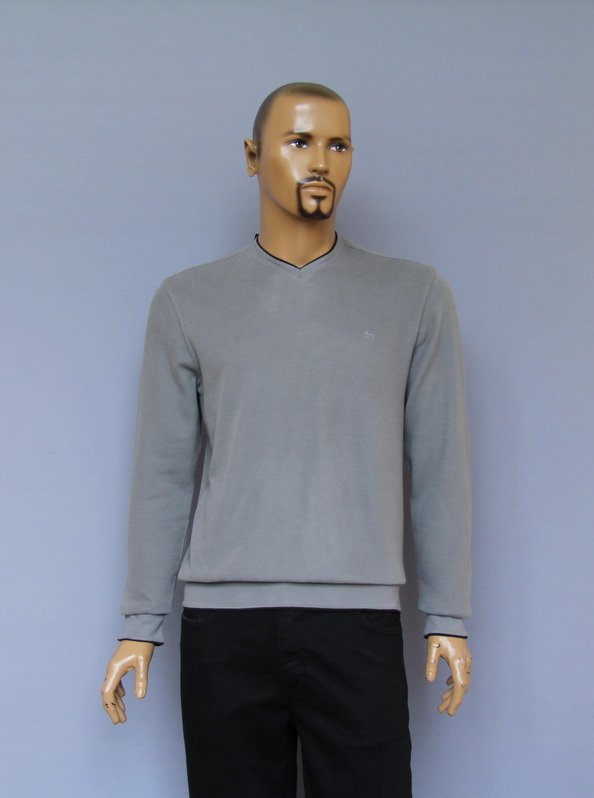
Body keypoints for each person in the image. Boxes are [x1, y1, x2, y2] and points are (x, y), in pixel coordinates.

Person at [102, 82, 472, 798]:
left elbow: (439, 466)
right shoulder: (187, 301)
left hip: (359, 622)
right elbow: (163, 474)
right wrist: (140, 624)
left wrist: (447, 617)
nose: (321, 161)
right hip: (223, 628)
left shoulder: (415, 296)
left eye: (339, 144)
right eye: (300, 141)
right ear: (253, 156)